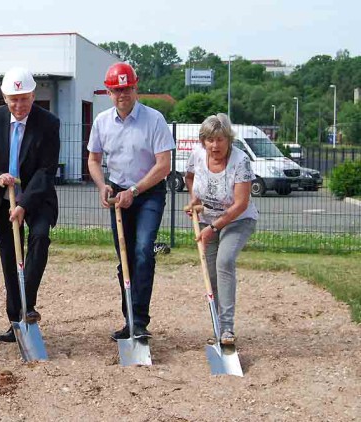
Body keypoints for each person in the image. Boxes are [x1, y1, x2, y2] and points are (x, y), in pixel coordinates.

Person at [0, 67, 60, 343]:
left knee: (39, 238)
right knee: (10, 258)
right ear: (4, 97)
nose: (19, 105)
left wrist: (23, 202)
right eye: (13, 99)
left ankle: (27, 305)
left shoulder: (48, 123)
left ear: (33, 96)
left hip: (37, 194)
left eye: (24, 98)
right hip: (2, 197)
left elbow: (47, 169)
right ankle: (15, 320)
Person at [87, 62, 175, 341]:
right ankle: (129, 321)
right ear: (109, 93)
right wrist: (103, 186)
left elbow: (164, 165)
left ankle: (139, 320)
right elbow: (93, 160)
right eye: (116, 90)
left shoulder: (155, 120)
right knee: (124, 258)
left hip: (148, 193)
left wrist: (134, 191)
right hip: (118, 195)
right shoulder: (102, 122)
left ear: (135, 89)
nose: (121, 94)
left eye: (126, 89)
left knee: (142, 252)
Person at [184, 113, 258, 345]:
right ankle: (216, 325)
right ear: (203, 141)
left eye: (220, 139)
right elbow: (189, 178)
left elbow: (241, 204)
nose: (215, 145)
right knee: (211, 272)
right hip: (207, 220)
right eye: (210, 140)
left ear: (229, 139)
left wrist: (214, 228)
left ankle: (227, 329)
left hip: (237, 220)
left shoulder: (240, 160)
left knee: (224, 262)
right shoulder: (196, 156)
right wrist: (195, 200)